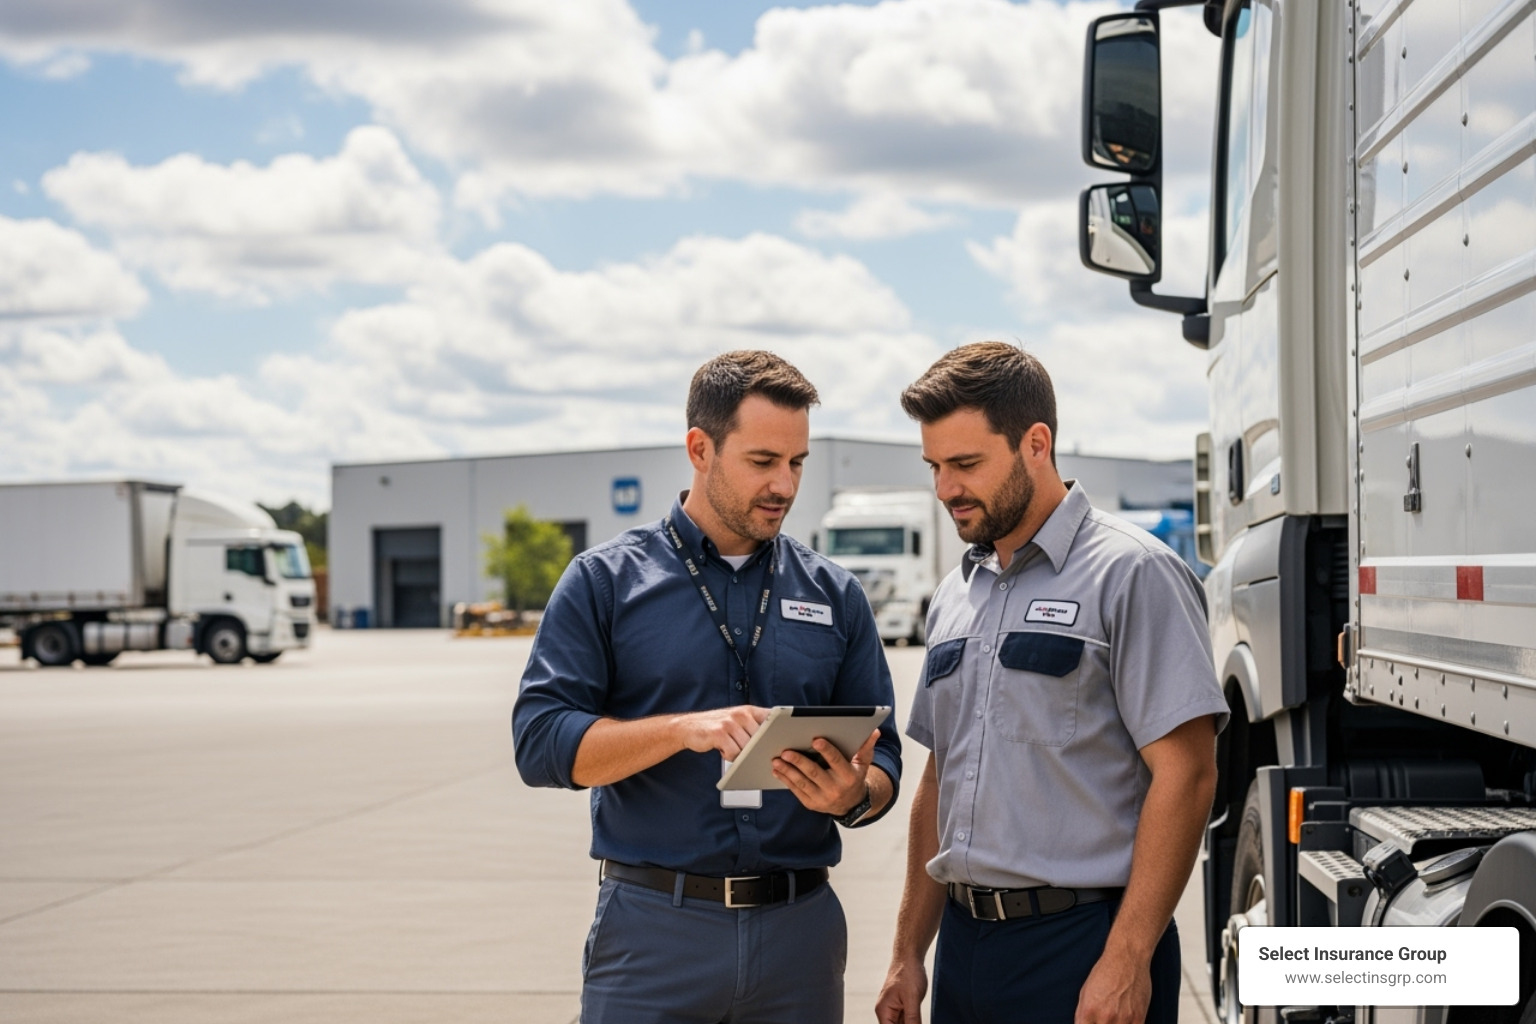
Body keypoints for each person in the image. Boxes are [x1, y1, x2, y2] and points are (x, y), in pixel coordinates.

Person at [514, 349, 903, 1024]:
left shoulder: (835, 595)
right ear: (700, 448)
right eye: (763, 461)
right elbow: (540, 743)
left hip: (800, 940)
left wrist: (856, 795)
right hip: (653, 937)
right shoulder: (605, 582)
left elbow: (885, 756)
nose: (784, 484)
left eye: (797, 462)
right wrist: (681, 730)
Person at [875, 342, 1228, 1024]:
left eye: (966, 464)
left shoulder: (1133, 573)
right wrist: (906, 953)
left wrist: (1128, 958)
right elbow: (939, 778)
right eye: (935, 467)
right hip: (964, 951)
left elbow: (1187, 774)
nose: (946, 489)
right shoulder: (955, 595)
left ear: (1036, 444)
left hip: (1083, 948)